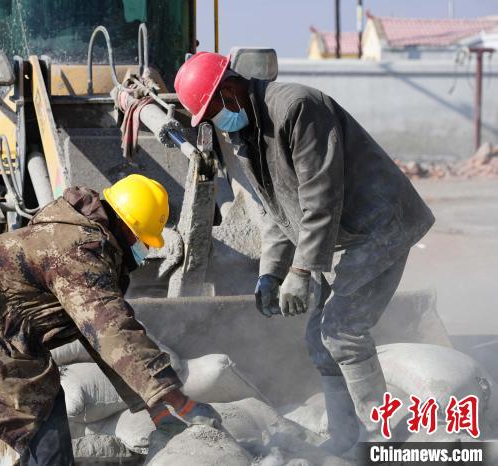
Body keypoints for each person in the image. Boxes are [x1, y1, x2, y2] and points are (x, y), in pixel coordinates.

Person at [174, 52, 434, 452]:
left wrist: (300, 272)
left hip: (382, 224)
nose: (213, 124)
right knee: (318, 338)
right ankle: (347, 439)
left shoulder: (297, 108)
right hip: (346, 235)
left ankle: (392, 431)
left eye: (211, 113)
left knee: (342, 330)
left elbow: (320, 199)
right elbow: (280, 212)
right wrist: (269, 274)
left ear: (229, 89)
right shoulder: (245, 135)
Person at [0, 174, 221, 466]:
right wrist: (177, 400)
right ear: (129, 227)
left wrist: (154, 405)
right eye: (143, 241)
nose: (143, 250)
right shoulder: (79, 250)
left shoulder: (79, 239)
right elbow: (112, 329)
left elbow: (97, 338)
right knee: (42, 417)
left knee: (41, 420)